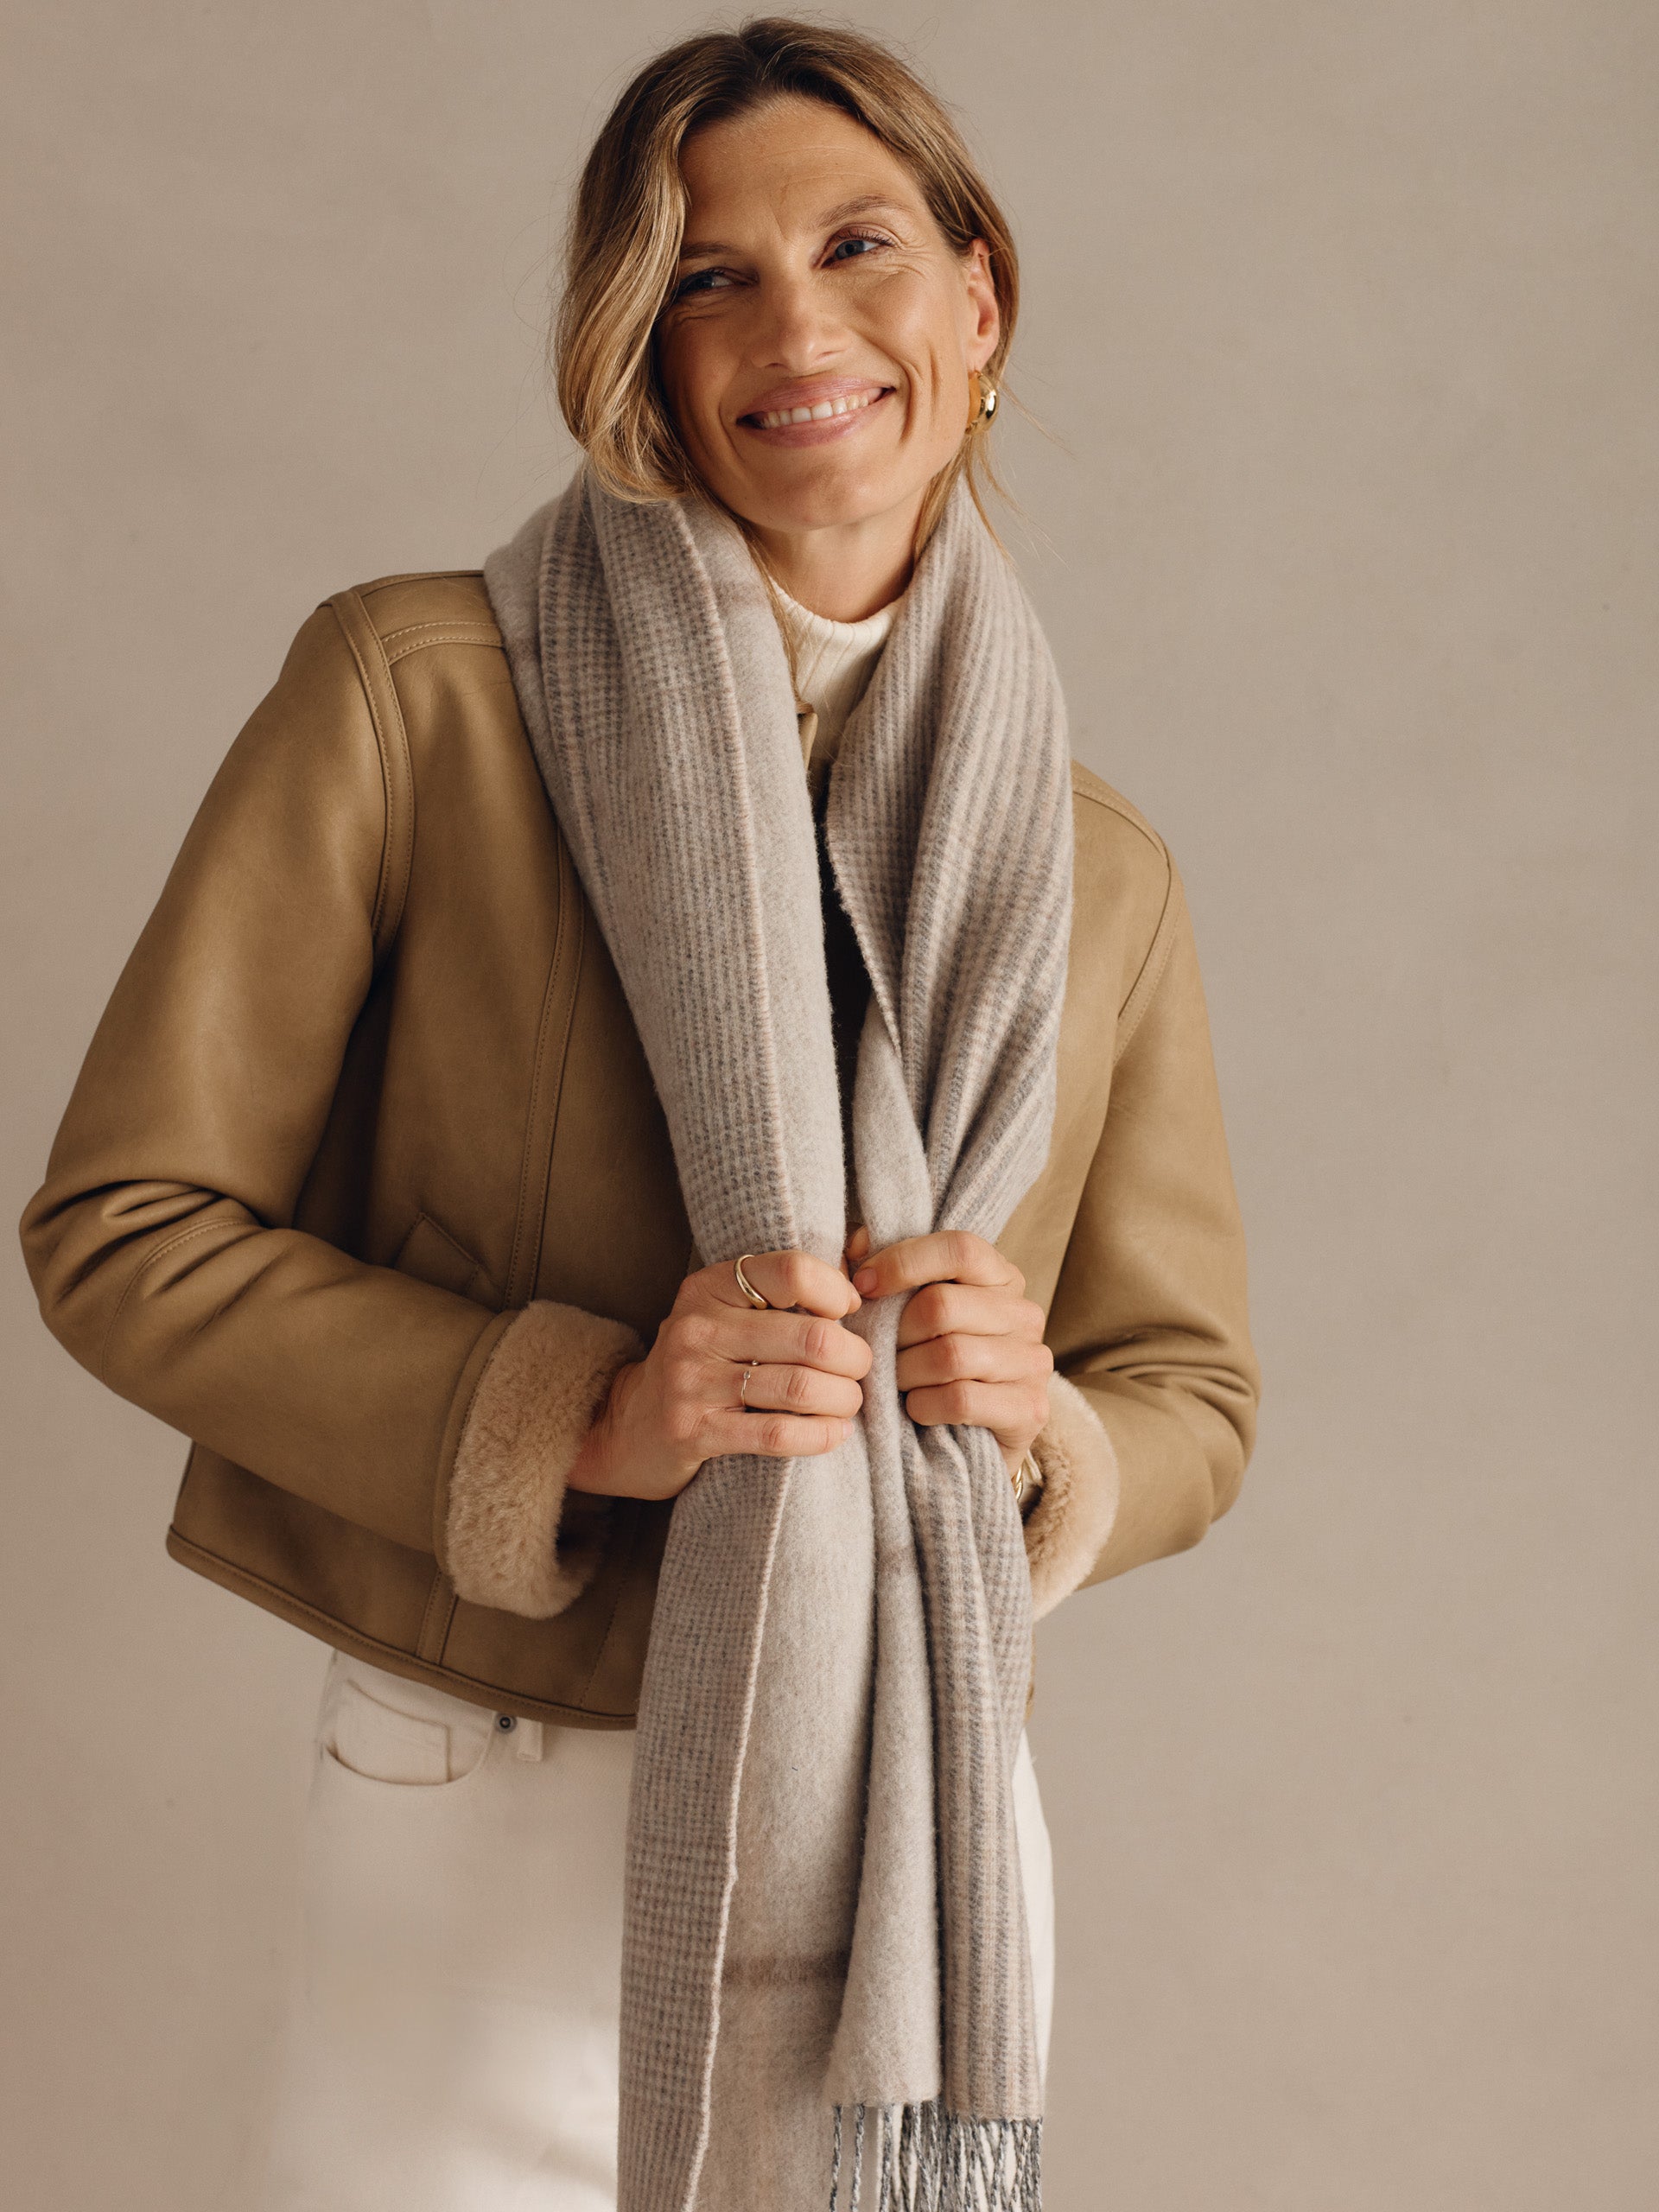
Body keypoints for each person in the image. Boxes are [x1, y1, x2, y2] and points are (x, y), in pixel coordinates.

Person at [20, 18, 1260, 2212]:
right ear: (646, 358)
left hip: (919, 1828)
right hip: (479, 1790)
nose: (796, 327)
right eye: (709, 277)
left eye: (859, 247)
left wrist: (1043, 1426)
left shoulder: (1097, 871)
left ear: (977, 301)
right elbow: (124, 1224)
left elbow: (1194, 1392)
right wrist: (578, 1415)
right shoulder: (417, 698)